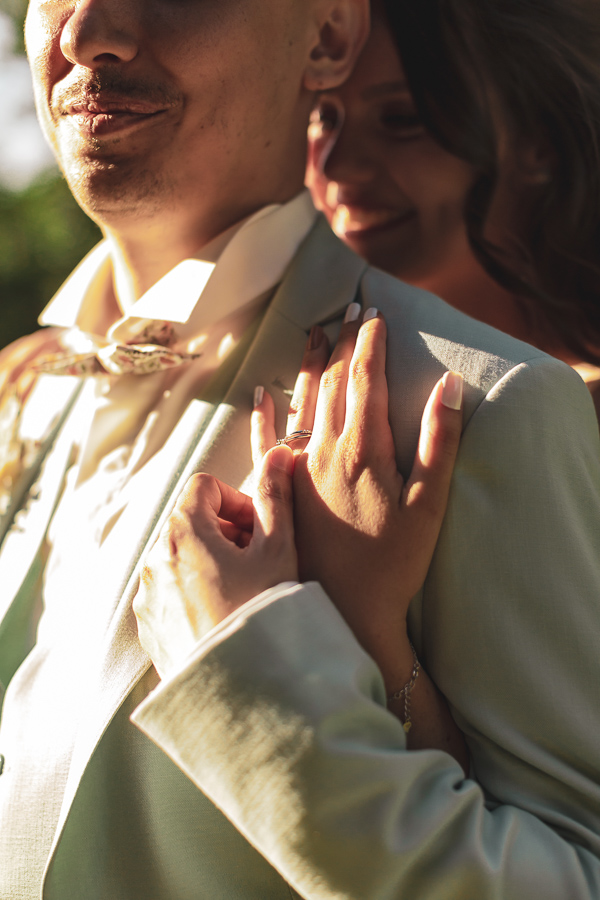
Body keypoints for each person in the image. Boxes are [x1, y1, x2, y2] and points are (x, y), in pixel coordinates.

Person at [0, 0, 600, 898]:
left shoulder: (483, 408)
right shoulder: (27, 394)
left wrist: (253, 682)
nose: (88, 32)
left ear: (327, 35)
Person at [306, 0, 600, 415]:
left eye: (401, 117)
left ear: (539, 141)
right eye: (323, 117)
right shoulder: (309, 381)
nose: (337, 165)